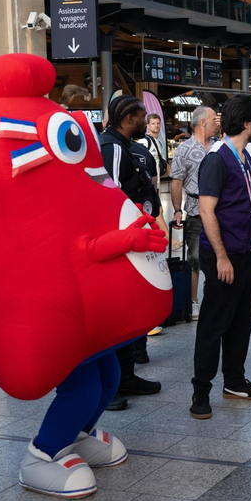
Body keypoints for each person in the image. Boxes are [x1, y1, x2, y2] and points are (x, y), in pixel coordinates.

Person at [190, 93, 251, 419]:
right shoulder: (217, 159)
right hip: (225, 255)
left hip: (247, 252)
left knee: (240, 321)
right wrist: (222, 257)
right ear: (248, 123)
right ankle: (201, 390)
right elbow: (207, 211)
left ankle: (235, 380)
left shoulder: (244, 155)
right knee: (214, 323)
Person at [99, 95, 166, 401]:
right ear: (128, 119)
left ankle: (125, 376)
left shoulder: (124, 146)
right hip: (120, 244)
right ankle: (111, 384)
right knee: (114, 317)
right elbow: (108, 196)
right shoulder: (112, 148)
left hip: (132, 241)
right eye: (141, 116)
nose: (145, 121)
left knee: (128, 312)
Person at [170, 105, 219, 321]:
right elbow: (176, 181)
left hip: (219, 210)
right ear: (202, 122)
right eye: (213, 120)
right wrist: (177, 210)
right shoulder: (184, 149)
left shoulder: (218, 146)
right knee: (195, 257)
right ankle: (193, 300)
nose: (217, 123)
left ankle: (213, 297)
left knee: (218, 255)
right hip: (195, 209)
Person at [139, 111, 170, 182]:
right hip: (147, 182)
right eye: (153, 123)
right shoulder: (144, 141)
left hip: (157, 181)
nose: (156, 125)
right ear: (148, 125)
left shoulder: (158, 143)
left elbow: (163, 161)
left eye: (158, 123)